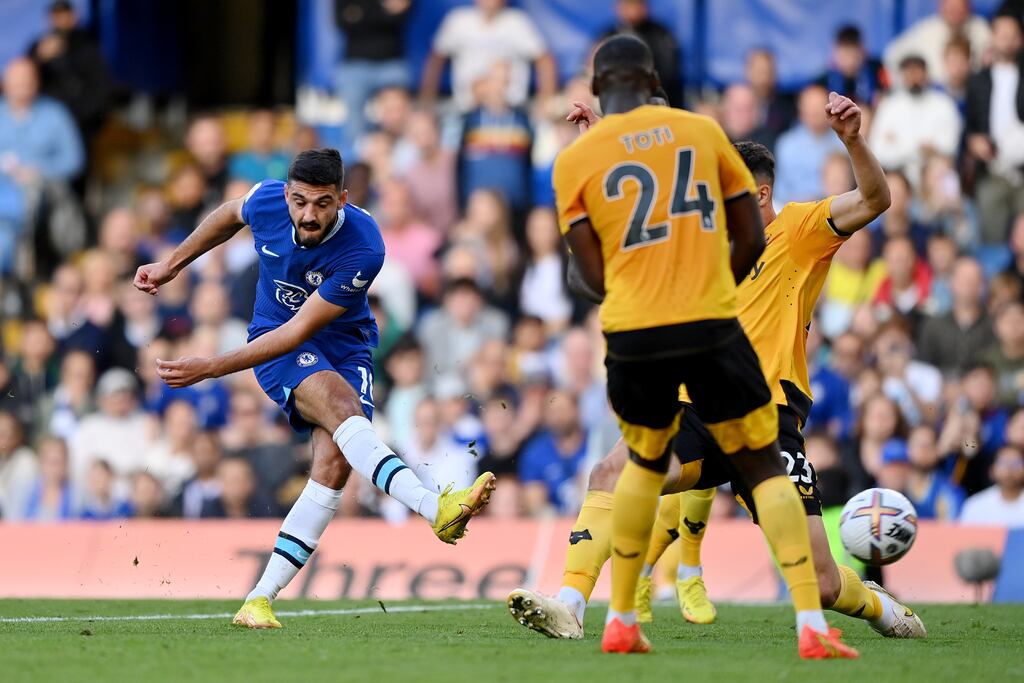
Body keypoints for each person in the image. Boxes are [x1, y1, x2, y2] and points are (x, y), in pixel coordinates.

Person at [514, 78, 922, 652]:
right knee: (610, 473)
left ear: (756, 196)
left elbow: (875, 201)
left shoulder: (800, 230)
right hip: (699, 406)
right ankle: (572, 604)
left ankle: (877, 604)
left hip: (769, 416)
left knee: (825, 585)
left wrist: (853, 142)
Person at [133, 148, 495, 629]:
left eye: (322, 204)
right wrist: (173, 263)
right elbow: (228, 215)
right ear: (286, 194)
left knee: (334, 464)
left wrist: (211, 366)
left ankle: (257, 600)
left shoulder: (365, 245)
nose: (308, 214)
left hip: (342, 346)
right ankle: (436, 508)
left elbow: (302, 329)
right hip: (272, 342)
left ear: (342, 199)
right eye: (299, 201)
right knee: (345, 411)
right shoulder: (265, 202)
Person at [419, 0, 557, 112]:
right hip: (466, 110)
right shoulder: (458, 21)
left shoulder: (517, 22)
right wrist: (426, 102)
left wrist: (545, 101)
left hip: (511, 111)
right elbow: (435, 60)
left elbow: (544, 60)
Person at [965, 10, 1024, 245]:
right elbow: (969, 126)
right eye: (1002, 34)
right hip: (991, 171)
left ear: (1020, 39)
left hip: (1022, 169)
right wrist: (974, 141)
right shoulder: (978, 79)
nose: (1007, 41)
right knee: (990, 238)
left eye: (1012, 35)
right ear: (993, 37)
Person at [334, 0, 412, 157]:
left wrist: (362, 12)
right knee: (354, 119)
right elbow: (342, 22)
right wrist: (383, 11)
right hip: (354, 65)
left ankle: (402, 159)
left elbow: (400, 17)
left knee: (396, 109)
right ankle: (357, 164)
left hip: (391, 61)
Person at [869, 56, 962, 185]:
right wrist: (918, 149)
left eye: (917, 71)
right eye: (909, 72)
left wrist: (897, 143)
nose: (913, 77)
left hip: (935, 175)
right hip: (898, 175)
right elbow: (878, 151)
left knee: (942, 172)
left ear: (926, 74)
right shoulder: (889, 106)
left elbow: (949, 147)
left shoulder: (943, 103)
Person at [884, 0, 992, 88]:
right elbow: (891, 54)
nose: (955, 13)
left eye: (960, 9)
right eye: (951, 8)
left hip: (970, 93)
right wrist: (903, 85)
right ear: (941, 8)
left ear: (969, 9)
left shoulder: (981, 30)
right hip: (932, 95)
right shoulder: (926, 29)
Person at [917, 256, 995, 376]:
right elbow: (923, 372)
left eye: (974, 280)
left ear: (982, 286)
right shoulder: (933, 327)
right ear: (951, 283)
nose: (968, 286)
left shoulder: (994, 326)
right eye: (963, 280)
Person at [600, 0, 682, 106]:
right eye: (625, 5)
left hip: (652, 97)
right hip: (617, 97)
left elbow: (667, 73)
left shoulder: (658, 34)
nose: (629, 9)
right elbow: (592, 63)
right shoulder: (610, 33)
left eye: (634, 4)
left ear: (644, 7)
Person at [773, 85, 843, 205]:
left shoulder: (843, 142)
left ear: (830, 108)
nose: (815, 112)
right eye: (810, 107)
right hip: (795, 211)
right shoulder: (786, 144)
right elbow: (780, 192)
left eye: (819, 106)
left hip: (834, 209)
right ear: (800, 110)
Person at [819, 25, 884, 105]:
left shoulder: (877, 70)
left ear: (863, 51)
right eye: (844, 56)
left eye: (854, 56)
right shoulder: (823, 81)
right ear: (834, 53)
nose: (850, 63)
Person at [960, 446, 1024, 526]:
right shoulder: (975, 506)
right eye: (1003, 463)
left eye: (1016, 464)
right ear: (992, 470)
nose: (1009, 469)